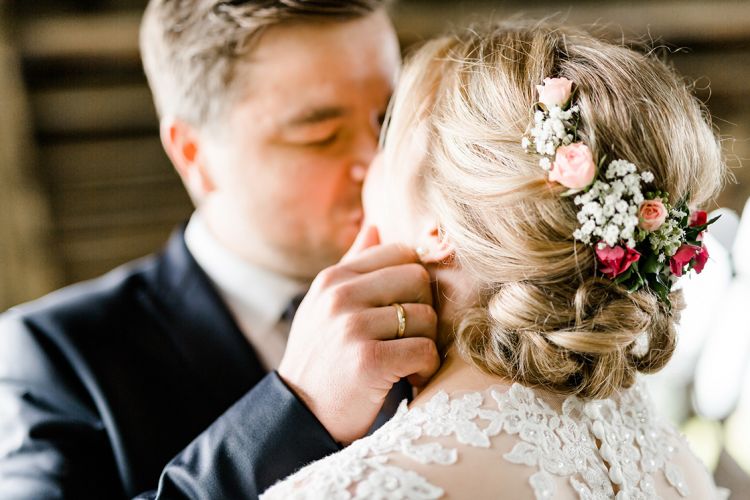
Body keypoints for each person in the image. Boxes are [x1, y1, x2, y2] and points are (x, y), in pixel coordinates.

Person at [261, 21, 731, 499]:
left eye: (387, 138)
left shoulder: (358, 488)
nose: (366, 168)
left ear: (438, 227)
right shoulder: (668, 457)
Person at [0, 1, 441, 498]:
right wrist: (299, 411)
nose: (376, 159)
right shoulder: (50, 356)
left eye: (387, 119)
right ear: (193, 154)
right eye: (320, 135)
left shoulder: (460, 294)